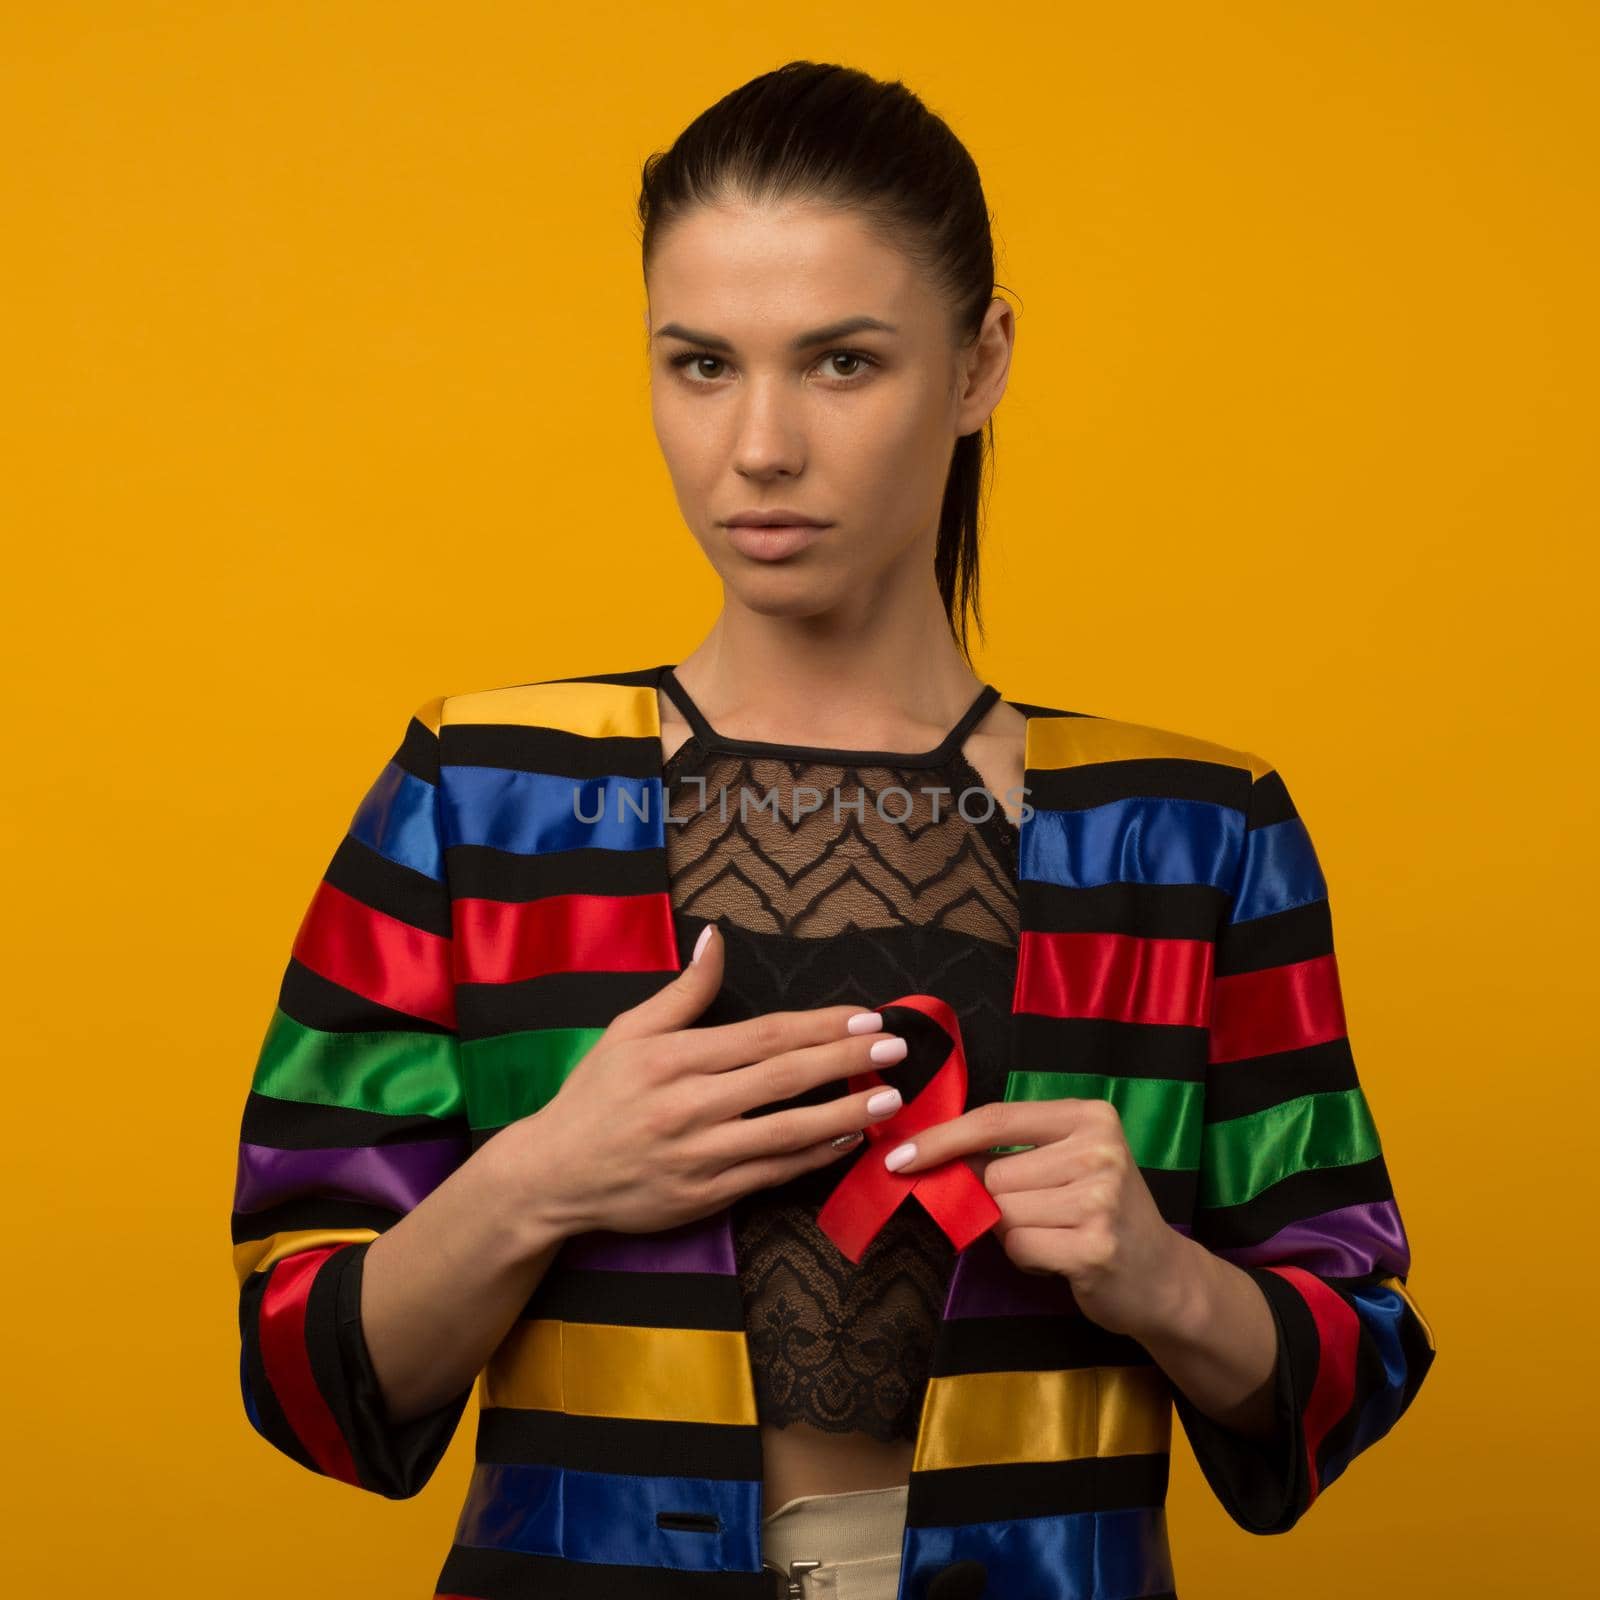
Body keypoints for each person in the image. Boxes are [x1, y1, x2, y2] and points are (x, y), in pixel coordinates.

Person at [228, 59, 1435, 1600]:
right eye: (703, 364)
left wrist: (1161, 1277)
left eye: (843, 363)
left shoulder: (1190, 836)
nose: (762, 447)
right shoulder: (481, 794)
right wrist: (542, 1179)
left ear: (981, 360)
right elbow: (301, 1369)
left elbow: (1355, 1360)